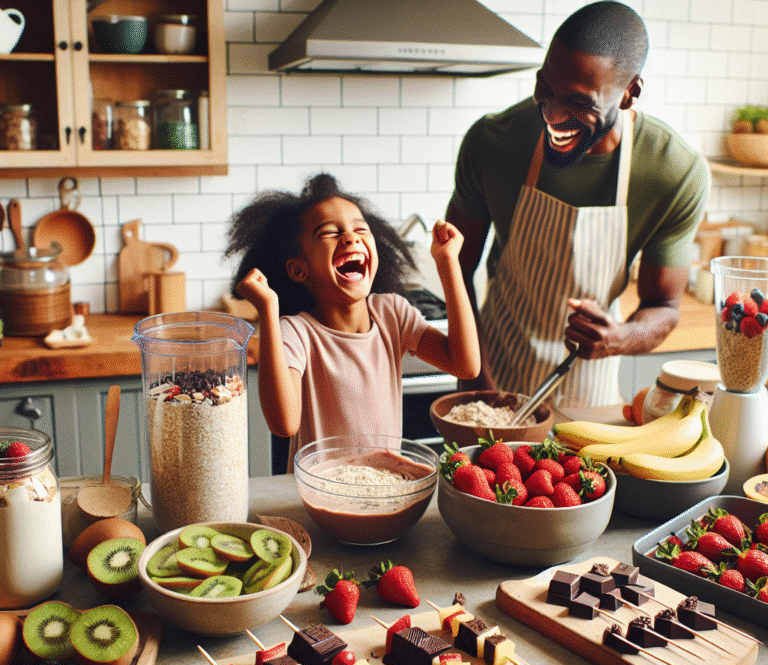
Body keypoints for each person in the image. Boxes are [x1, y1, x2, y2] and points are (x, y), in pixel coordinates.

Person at [446, 0, 709, 408]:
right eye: (545, 91)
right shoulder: (492, 142)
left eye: (579, 103)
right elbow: (456, 269)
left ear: (629, 93)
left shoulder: (672, 171)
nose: (552, 115)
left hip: (589, 392)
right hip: (491, 372)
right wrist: (475, 378)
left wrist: (619, 336)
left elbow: (664, 306)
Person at [226, 173, 480, 470]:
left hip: (382, 487)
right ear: (298, 269)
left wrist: (448, 263)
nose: (350, 237)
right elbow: (284, 423)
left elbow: (465, 365)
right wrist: (268, 310)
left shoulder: (392, 314)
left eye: (361, 229)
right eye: (329, 233)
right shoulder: (297, 332)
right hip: (322, 491)